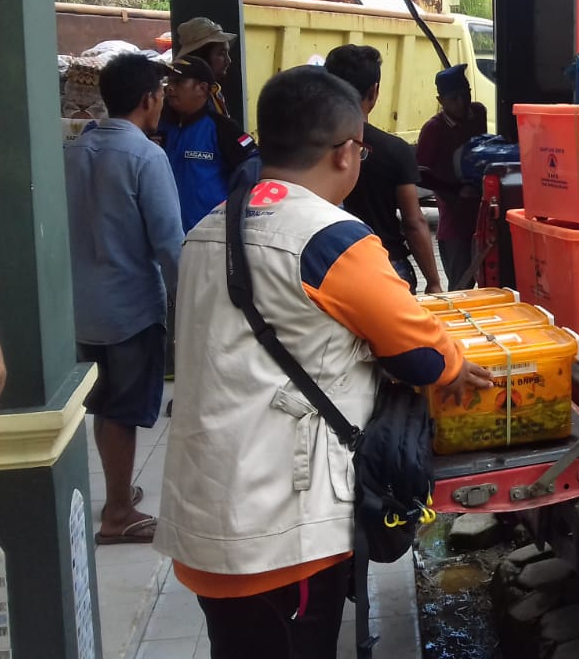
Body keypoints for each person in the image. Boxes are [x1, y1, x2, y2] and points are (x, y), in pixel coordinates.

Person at [155, 65, 492, 659]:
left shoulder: (211, 227)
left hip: (211, 508)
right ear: (346, 152)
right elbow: (422, 352)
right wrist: (457, 367)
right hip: (281, 528)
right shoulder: (329, 237)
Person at [64, 52, 184, 544]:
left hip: (80, 308)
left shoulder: (73, 150)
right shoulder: (145, 156)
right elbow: (168, 243)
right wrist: (194, 304)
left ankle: (118, 491)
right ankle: (117, 513)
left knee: (105, 405)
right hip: (129, 308)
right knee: (123, 409)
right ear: (148, 99)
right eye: (161, 94)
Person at [324, 45, 444, 294]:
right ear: (374, 91)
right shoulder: (393, 150)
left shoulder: (306, 148)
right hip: (386, 266)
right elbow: (413, 221)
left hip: (326, 266)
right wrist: (433, 281)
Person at [158, 55, 258, 232]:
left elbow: (253, 170)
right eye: (169, 82)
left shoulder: (223, 129)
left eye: (179, 82)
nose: (170, 88)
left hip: (210, 237)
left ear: (202, 89)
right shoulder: (159, 126)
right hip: (167, 236)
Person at [416, 65, 488, 290]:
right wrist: (456, 191)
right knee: (460, 284)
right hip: (454, 215)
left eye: (465, 94)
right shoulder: (433, 129)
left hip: (481, 211)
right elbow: (420, 175)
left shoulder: (479, 113)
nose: (461, 102)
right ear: (441, 100)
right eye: (453, 98)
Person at [174, 16, 236, 117]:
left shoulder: (214, 91)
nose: (228, 61)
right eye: (221, 53)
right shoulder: (188, 101)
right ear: (201, 57)